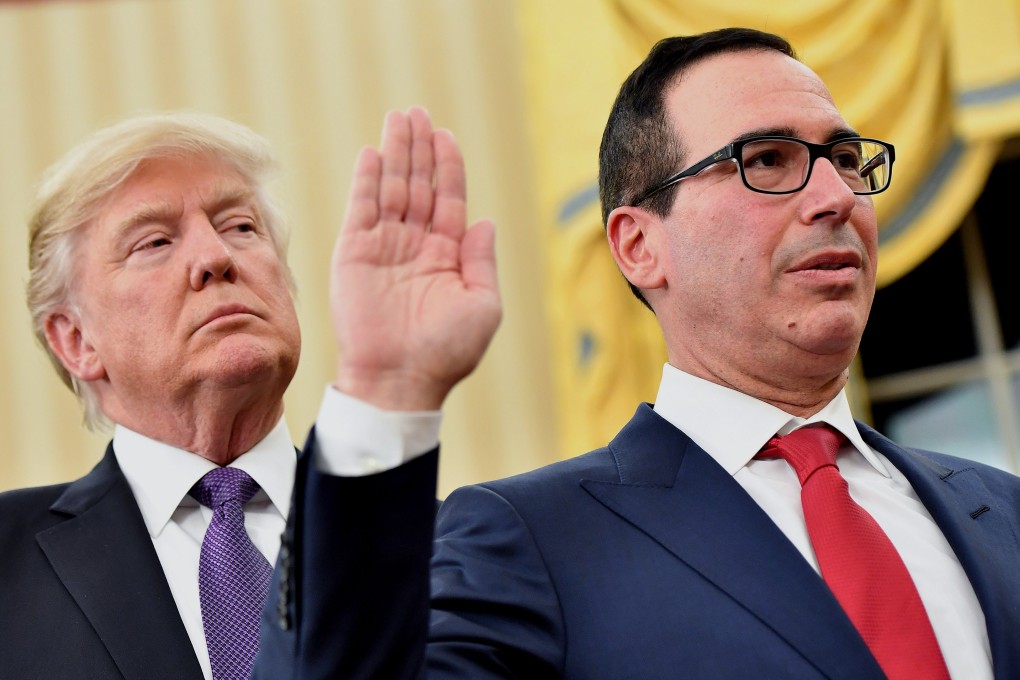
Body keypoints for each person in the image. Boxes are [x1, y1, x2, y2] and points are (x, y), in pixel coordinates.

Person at [426, 28, 1020, 679]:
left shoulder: (1006, 511)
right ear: (639, 247)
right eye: (766, 159)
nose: (839, 198)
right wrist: (387, 407)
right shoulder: (535, 542)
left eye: (847, 159)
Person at [0, 107, 500, 680]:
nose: (216, 258)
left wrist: (387, 387)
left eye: (240, 227)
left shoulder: (455, 548)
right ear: (77, 339)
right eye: (155, 242)